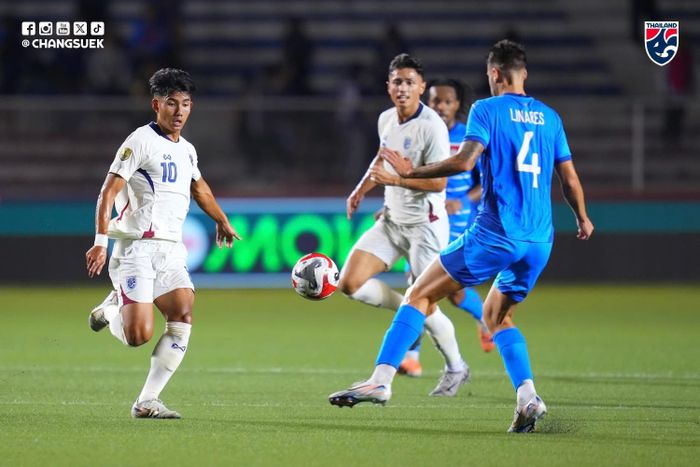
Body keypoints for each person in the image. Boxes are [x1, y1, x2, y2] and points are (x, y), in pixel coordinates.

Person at [329, 40, 594, 434]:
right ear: (524, 74)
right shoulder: (550, 117)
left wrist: (406, 175)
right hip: (540, 240)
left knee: (419, 292)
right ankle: (527, 397)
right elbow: (569, 179)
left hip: (497, 232)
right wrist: (583, 218)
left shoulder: (486, 109)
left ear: (494, 75)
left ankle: (381, 380)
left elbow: (464, 161)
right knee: (497, 315)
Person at [85, 68, 240, 419]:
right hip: (136, 248)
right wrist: (100, 241)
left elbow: (200, 188)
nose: (180, 111)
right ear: (157, 104)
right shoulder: (139, 141)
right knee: (137, 335)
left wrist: (222, 220)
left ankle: (147, 401)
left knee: (182, 313)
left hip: (171, 250)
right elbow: (108, 190)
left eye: (186, 104)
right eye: (172, 103)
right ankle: (109, 310)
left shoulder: (187, 149)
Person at [337, 53, 471, 397]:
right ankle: (409, 306)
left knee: (427, 302)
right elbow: (381, 158)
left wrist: (395, 182)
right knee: (349, 283)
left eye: (410, 82)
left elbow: (439, 184)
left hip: (425, 227)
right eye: (397, 81)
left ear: (421, 88)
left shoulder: (432, 127)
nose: (403, 88)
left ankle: (456, 366)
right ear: (388, 86)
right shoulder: (386, 119)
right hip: (392, 220)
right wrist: (360, 190)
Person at [398, 78, 493, 378]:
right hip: (423, 214)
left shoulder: (469, 136)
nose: (440, 106)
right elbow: (409, 176)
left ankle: (483, 322)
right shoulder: (420, 132)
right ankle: (413, 356)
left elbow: (485, 182)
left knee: (439, 288)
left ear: (457, 105)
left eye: (447, 101)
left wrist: (463, 199)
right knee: (421, 283)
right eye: (435, 100)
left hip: (457, 218)